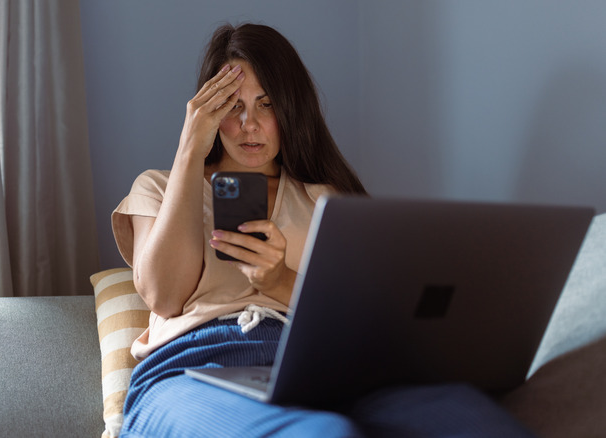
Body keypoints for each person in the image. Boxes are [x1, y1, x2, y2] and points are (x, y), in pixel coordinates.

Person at [111, 23, 534, 437]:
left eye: (267, 103)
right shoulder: (160, 188)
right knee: (324, 431)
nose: (249, 124)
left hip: (321, 368)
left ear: (290, 108)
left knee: (472, 419)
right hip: (193, 370)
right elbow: (164, 296)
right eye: (233, 106)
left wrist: (279, 281)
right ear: (209, 111)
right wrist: (190, 150)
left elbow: (366, 319)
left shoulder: (324, 199)